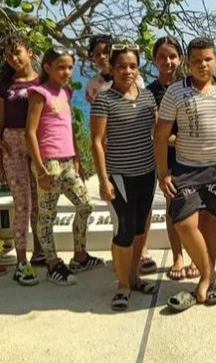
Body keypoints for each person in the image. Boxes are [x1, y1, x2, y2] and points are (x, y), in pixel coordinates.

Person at [154, 36, 216, 311]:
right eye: (196, 61)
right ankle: (208, 274)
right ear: (187, 64)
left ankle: (205, 276)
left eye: (208, 59)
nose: (202, 65)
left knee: (210, 222)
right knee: (184, 223)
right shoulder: (175, 92)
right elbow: (160, 135)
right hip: (187, 170)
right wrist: (163, 172)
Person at [89, 43, 158, 309]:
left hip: (147, 173)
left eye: (132, 66)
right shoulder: (104, 99)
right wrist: (103, 179)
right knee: (124, 231)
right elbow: (96, 141)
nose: (127, 71)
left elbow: (156, 133)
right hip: (119, 176)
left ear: (138, 68)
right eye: (121, 66)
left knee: (140, 228)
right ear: (112, 68)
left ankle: (134, 277)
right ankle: (122, 285)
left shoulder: (147, 97)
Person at [26, 48, 101, 284]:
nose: (66, 72)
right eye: (61, 67)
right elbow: (30, 133)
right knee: (47, 216)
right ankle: (52, 264)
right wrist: (40, 169)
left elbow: (69, 128)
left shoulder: (67, 91)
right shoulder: (39, 93)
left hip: (68, 161)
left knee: (86, 205)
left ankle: (79, 256)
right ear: (47, 68)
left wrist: (77, 158)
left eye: (70, 67)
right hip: (49, 163)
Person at [147, 36, 192, 281]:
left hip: (194, 157)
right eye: (162, 57)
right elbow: (155, 134)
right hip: (167, 158)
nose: (168, 61)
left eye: (173, 56)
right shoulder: (150, 93)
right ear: (154, 60)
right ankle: (178, 256)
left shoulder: (190, 86)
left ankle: (196, 254)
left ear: (181, 58)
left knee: (197, 207)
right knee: (172, 206)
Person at [0, 34, 42, 284]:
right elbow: (1, 117)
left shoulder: (43, 81)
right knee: (22, 202)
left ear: (30, 52)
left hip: (38, 144)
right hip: (12, 144)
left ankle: (40, 251)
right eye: (8, 55)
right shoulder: (5, 83)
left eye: (18, 52)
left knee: (40, 200)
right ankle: (22, 259)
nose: (14, 58)